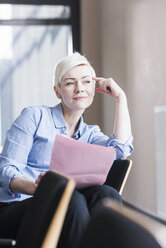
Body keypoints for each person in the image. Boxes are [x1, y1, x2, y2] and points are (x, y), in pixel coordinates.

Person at [0, 52, 133, 247]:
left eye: (86, 82)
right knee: (70, 199)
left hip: (64, 203)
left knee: (107, 195)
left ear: (94, 89)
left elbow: (120, 151)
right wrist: (39, 188)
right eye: (70, 83)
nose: (80, 88)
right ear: (57, 91)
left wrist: (121, 98)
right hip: (15, 207)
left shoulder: (90, 134)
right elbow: (6, 171)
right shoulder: (35, 117)